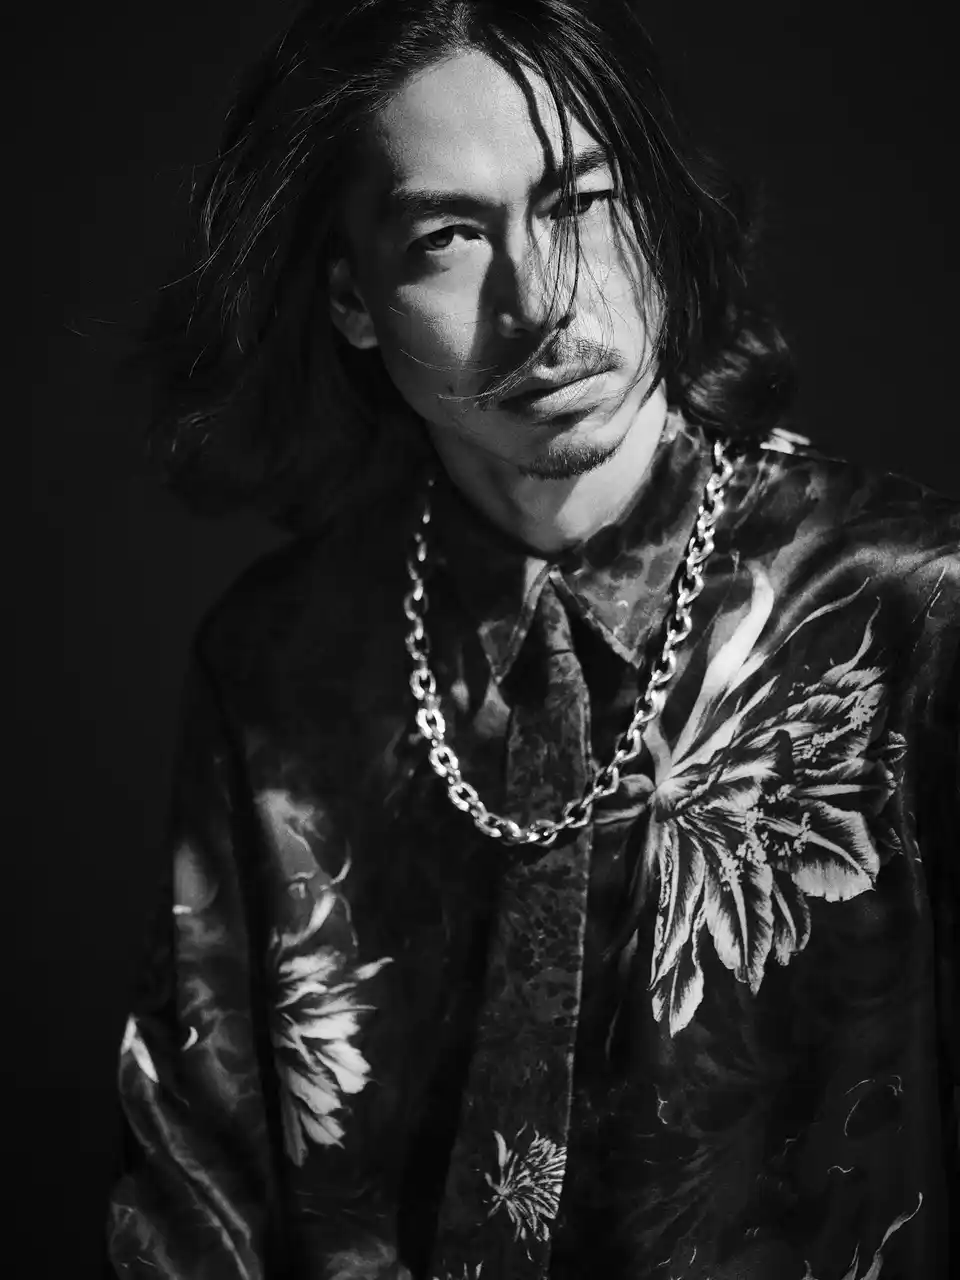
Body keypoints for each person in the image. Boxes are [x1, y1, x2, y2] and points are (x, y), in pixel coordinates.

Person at [105, 2, 959, 1277]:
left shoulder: (912, 612)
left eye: (583, 203)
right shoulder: (274, 661)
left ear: (658, 209)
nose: (543, 300)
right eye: (448, 237)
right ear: (350, 296)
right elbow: (191, 1180)